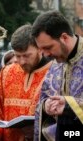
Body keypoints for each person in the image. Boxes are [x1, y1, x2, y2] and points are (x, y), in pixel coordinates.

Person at [0, 24, 52, 141]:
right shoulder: (7, 72)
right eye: (17, 56)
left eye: (26, 55)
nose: (22, 61)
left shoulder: (54, 73)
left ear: (40, 48)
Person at [32, 10, 83, 141]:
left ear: (64, 38)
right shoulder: (55, 64)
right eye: (41, 49)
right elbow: (42, 100)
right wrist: (46, 105)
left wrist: (69, 104)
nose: (45, 54)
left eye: (48, 47)